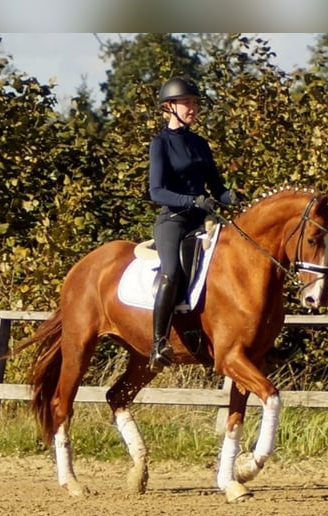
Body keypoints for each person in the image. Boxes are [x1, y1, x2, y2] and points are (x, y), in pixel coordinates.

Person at [147, 76, 241, 372]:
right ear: (169, 107)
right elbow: (156, 191)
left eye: (195, 102)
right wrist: (190, 201)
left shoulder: (200, 143)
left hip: (203, 222)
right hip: (173, 221)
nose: (193, 107)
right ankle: (159, 342)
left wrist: (232, 196)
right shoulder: (160, 144)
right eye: (187, 102)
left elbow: (217, 187)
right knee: (172, 273)